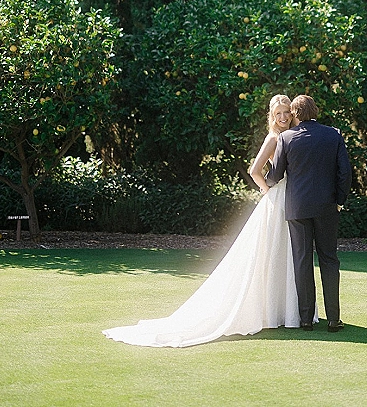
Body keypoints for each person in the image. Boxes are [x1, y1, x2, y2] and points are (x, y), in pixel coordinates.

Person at [103, 94, 304, 348]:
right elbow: (255, 171)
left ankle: (283, 311)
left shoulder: (294, 136)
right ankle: (271, 312)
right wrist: (271, 193)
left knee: (285, 253)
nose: (283, 117)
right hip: (278, 200)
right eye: (278, 114)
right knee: (271, 253)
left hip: (292, 199)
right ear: (272, 117)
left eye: (287, 113)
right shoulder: (274, 138)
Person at [266, 94, 352, 333]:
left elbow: (275, 175)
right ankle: (334, 319)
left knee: (302, 261)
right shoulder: (333, 134)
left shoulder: (285, 138)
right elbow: (345, 173)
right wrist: (340, 201)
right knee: (329, 259)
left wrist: (265, 183)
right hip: (327, 207)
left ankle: (305, 319)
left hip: (298, 208)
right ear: (315, 110)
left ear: (294, 114)